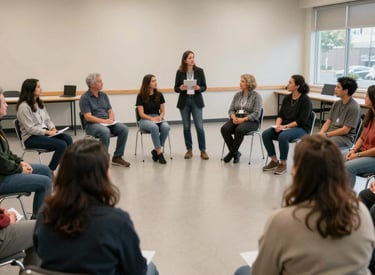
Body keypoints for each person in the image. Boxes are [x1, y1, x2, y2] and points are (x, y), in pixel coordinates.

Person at [234, 135, 375, 275]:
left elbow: (262, 272)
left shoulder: (281, 221)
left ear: (296, 170)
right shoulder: (361, 211)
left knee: (242, 271)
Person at [33, 139, 159, 275]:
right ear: (103, 175)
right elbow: (136, 270)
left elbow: (40, 252)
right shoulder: (117, 222)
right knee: (150, 268)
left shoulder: (45, 212)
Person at [0, 88, 51, 219]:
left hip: (6, 170)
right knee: (44, 182)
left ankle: (40, 215)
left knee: (45, 170)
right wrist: (20, 169)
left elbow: (8, 153)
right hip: (2, 178)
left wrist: (20, 161)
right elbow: (2, 163)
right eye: (4, 102)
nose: (6, 105)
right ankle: (38, 222)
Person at [16, 78, 73, 175]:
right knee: (61, 144)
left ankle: (68, 166)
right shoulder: (23, 107)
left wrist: (53, 128)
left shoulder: (39, 103)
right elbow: (30, 128)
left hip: (43, 132)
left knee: (68, 138)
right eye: (38, 87)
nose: (41, 89)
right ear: (31, 90)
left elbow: (47, 119)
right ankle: (50, 170)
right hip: (30, 137)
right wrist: (47, 132)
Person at [262, 74, 312, 175]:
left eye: (290, 83)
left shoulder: (305, 100)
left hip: (301, 128)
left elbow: (301, 121)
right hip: (285, 127)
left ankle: (283, 164)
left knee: (283, 136)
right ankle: (274, 161)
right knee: (266, 134)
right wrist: (278, 125)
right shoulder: (287, 98)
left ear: (297, 86)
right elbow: (280, 115)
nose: (287, 85)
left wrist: (284, 127)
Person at [79, 73, 130, 167]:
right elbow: (88, 117)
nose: (102, 83)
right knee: (105, 132)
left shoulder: (103, 95)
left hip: (107, 123)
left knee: (124, 129)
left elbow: (110, 110)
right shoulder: (84, 98)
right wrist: (104, 121)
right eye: (99, 81)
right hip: (92, 125)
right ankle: (102, 159)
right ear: (92, 84)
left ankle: (117, 157)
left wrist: (111, 118)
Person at [174, 50, 209, 160]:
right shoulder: (179, 72)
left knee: (199, 126)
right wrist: (180, 88)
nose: (192, 59)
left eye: (193, 57)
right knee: (186, 126)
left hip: (196, 101)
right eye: (189, 58)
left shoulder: (200, 71)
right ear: (185, 60)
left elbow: (204, 87)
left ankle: (203, 150)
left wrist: (199, 88)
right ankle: (189, 150)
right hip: (184, 102)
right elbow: (175, 88)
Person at [220, 74, 262, 164]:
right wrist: (234, 117)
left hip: (251, 121)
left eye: (242, 81)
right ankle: (236, 153)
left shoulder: (256, 96)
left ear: (248, 83)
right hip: (237, 118)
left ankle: (231, 153)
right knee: (224, 129)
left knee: (239, 129)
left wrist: (243, 120)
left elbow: (256, 113)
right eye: (241, 81)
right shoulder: (237, 95)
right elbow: (231, 109)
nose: (240, 83)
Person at [344, 85, 375, 188]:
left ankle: (345, 199)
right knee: (336, 157)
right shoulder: (370, 116)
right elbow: (362, 138)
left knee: (348, 167)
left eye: (367, 95)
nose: (364, 97)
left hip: (372, 157)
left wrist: (357, 155)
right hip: (363, 153)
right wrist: (353, 150)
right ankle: (334, 192)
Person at [318, 77, 360, 149]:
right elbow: (328, 122)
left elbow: (345, 130)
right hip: (330, 134)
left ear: (346, 91)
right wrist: (321, 133)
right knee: (311, 142)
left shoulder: (354, 107)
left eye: (338, 87)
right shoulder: (337, 103)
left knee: (324, 146)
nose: (335, 89)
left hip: (344, 138)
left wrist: (326, 134)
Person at [136, 74, 170, 164]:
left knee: (166, 127)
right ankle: (159, 153)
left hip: (157, 117)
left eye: (156, 80)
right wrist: (151, 119)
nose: (156, 83)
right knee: (154, 127)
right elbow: (141, 114)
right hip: (145, 119)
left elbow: (162, 111)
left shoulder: (159, 94)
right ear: (147, 83)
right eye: (153, 81)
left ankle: (155, 150)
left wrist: (160, 117)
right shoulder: (140, 96)